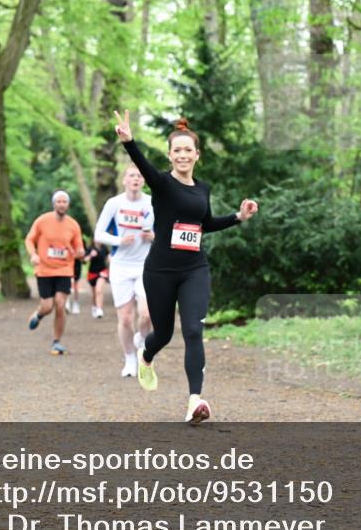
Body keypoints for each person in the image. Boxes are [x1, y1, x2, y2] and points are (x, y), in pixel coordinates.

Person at [114, 111, 258, 424]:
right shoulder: (162, 184)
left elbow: (205, 224)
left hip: (194, 268)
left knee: (194, 329)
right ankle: (146, 355)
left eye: (187, 150)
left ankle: (195, 401)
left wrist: (238, 217)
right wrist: (129, 142)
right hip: (160, 271)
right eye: (176, 150)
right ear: (170, 155)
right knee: (163, 334)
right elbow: (144, 168)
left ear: (196, 155)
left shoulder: (202, 190)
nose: (182, 155)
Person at [94, 164, 155, 378]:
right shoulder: (114, 203)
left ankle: (140, 341)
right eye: (131, 175)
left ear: (144, 181)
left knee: (146, 315)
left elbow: (166, 230)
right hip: (120, 266)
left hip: (146, 265)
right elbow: (98, 234)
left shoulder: (151, 202)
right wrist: (120, 240)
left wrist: (155, 237)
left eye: (139, 176)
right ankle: (130, 358)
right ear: (124, 180)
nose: (135, 179)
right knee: (126, 318)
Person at [24, 190, 85, 355]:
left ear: (68, 204)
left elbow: (79, 247)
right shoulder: (43, 221)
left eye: (64, 202)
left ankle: (57, 341)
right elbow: (29, 239)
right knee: (47, 306)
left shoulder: (73, 225)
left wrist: (80, 252)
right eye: (59, 201)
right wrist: (33, 254)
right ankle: (39, 314)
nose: (62, 204)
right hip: (44, 269)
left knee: (60, 304)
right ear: (54, 203)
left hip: (65, 269)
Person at [85, 241, 110, 319]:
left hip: (102, 272)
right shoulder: (90, 248)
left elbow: (108, 257)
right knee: (94, 294)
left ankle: (99, 309)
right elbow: (84, 260)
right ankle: (94, 307)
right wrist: (90, 255)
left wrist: (110, 259)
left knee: (99, 290)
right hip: (92, 273)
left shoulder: (104, 248)